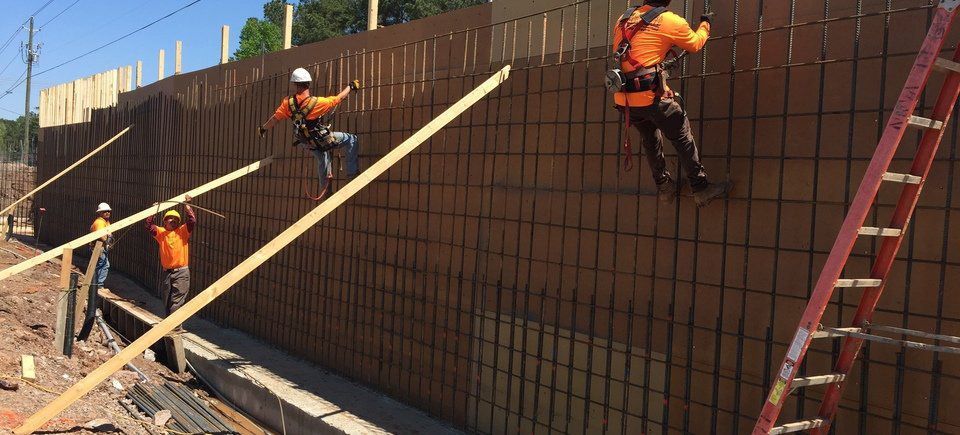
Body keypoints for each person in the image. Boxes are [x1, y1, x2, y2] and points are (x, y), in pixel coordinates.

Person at [611, 0, 732, 206]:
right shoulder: (669, 20)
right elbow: (695, 44)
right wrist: (705, 24)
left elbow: (638, 51)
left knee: (650, 138)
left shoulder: (624, 19)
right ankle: (700, 187)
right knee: (681, 135)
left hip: (626, 99)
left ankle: (664, 187)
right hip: (650, 96)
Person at [258, 67, 362, 199]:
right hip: (320, 138)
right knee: (351, 139)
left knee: (322, 156)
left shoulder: (287, 103)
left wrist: (263, 128)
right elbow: (338, 98)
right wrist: (351, 86)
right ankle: (352, 174)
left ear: (295, 84)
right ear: (308, 84)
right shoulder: (318, 103)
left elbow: (274, 119)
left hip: (306, 142)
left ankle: (326, 189)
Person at [145, 195, 196, 318]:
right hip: (167, 273)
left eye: (175, 219)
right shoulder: (161, 233)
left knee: (177, 301)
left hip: (181, 272)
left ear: (179, 222)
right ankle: (169, 324)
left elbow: (192, 221)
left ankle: (174, 327)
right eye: (169, 218)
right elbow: (149, 226)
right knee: (167, 300)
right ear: (164, 221)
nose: (172, 220)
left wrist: (187, 206)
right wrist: (153, 210)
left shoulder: (183, 231)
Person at [89, 202, 113, 288]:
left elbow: (108, 233)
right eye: (105, 211)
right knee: (104, 265)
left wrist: (109, 240)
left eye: (108, 211)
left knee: (102, 264)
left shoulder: (106, 221)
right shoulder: (99, 222)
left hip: (101, 247)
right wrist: (107, 242)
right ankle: (98, 284)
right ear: (100, 213)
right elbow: (101, 234)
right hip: (98, 247)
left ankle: (96, 283)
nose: (107, 213)